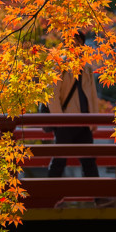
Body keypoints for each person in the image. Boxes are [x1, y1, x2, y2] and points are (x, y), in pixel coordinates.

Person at [47, 31, 101, 179]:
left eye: (79, 42)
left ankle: (99, 198)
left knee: (89, 160)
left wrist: (94, 119)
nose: (76, 46)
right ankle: (48, 196)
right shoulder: (60, 65)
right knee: (59, 160)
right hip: (66, 120)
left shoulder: (87, 68)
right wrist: (60, 120)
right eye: (73, 42)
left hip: (84, 121)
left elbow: (92, 96)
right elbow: (51, 96)